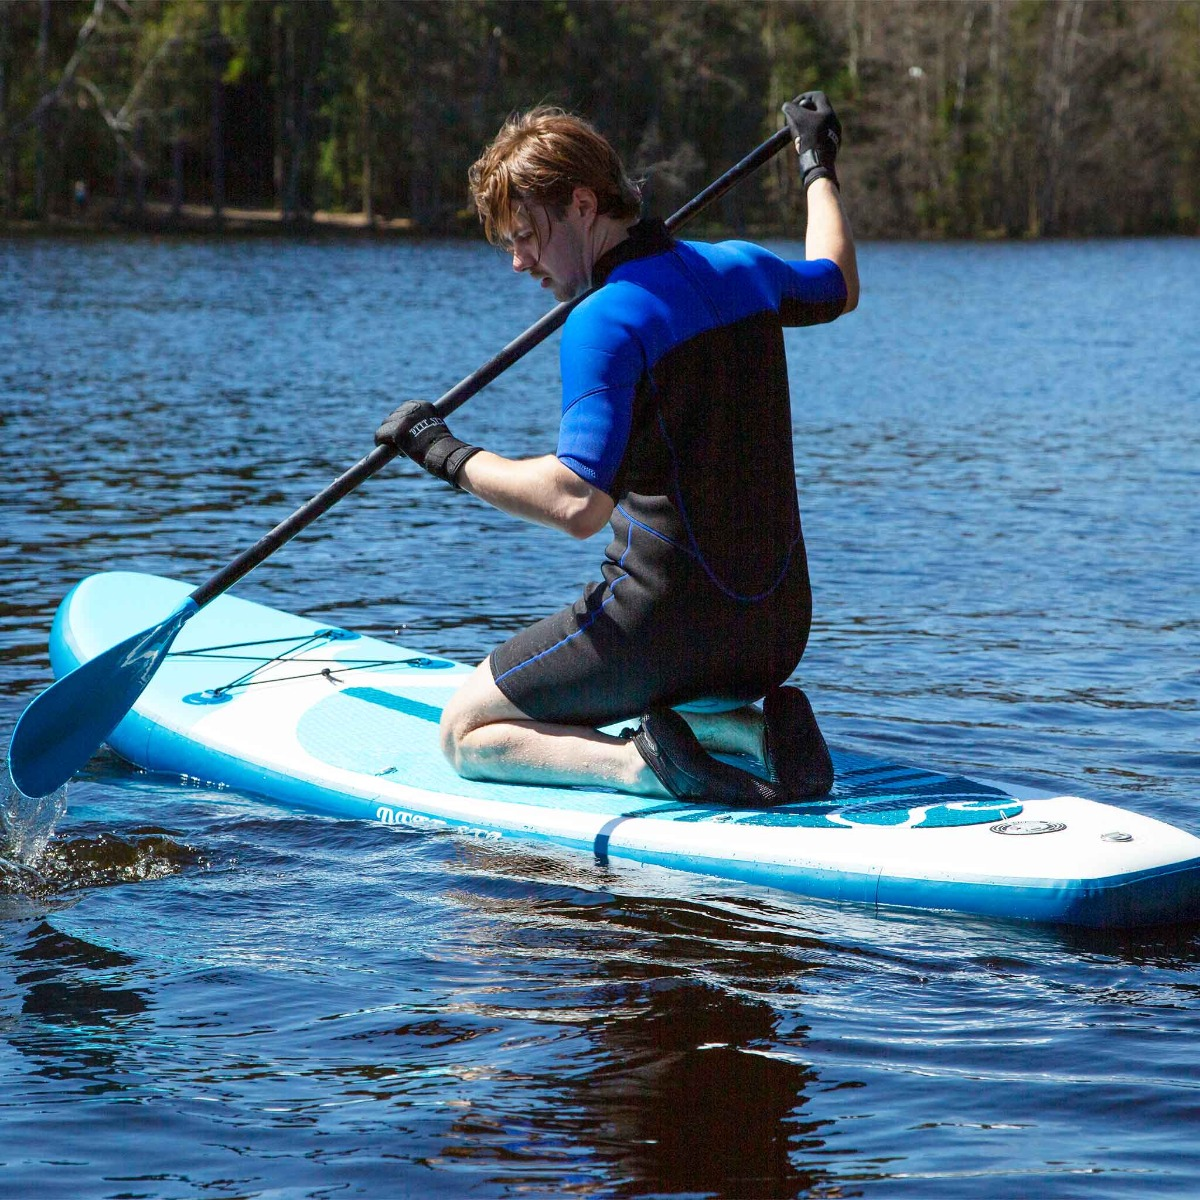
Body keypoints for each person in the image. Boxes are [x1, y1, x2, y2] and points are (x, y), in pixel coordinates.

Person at [375, 92, 859, 807]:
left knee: (464, 729)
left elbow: (576, 503)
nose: (517, 261)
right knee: (679, 674)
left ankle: (644, 766)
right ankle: (760, 734)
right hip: (778, 632)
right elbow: (839, 282)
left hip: (661, 627)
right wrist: (816, 164)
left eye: (525, 234)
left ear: (580, 204)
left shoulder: (604, 320)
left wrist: (442, 450)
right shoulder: (746, 269)